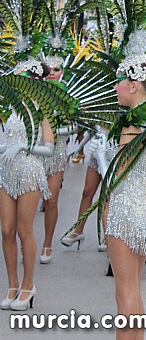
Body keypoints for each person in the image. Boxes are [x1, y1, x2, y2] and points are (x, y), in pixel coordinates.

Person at [91, 52, 146, 339]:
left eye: (119, 81)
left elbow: (118, 173)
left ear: (134, 85)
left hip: (126, 209)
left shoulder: (131, 122)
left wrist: (102, 160)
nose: (116, 87)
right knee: (133, 292)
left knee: (125, 297)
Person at [0, 60, 55, 311]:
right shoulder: (7, 108)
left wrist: (23, 147)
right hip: (5, 172)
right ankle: (12, 285)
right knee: (7, 230)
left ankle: (28, 284)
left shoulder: (42, 109)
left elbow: (49, 147)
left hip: (29, 172)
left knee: (24, 229)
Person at [40, 56, 75, 264]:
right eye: (48, 68)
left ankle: (47, 243)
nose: (52, 72)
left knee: (51, 200)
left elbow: (75, 126)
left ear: (63, 71)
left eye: (57, 68)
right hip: (36, 152)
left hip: (57, 152)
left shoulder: (69, 95)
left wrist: (55, 131)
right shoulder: (35, 92)